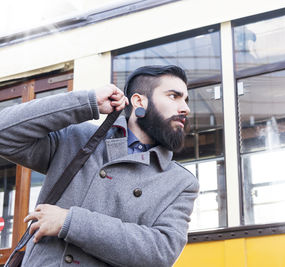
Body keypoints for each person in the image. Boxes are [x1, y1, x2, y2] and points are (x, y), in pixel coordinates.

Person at [0, 65, 199, 266]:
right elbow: (4, 134)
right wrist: (88, 103)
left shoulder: (180, 182)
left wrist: (70, 222)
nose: (185, 108)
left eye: (186, 100)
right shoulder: (76, 139)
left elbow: (160, 251)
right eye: (174, 96)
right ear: (140, 101)